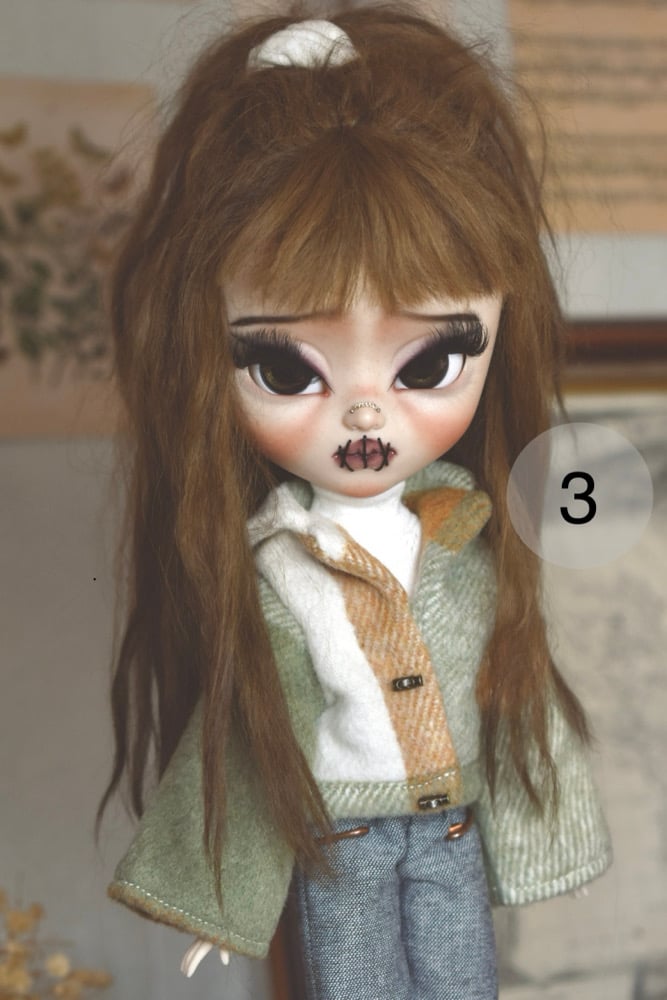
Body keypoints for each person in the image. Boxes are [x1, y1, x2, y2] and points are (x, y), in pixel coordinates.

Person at [100, 8, 612, 999]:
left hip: (451, 830)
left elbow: (517, 696)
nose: (367, 411)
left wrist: (551, 841)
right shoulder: (283, 568)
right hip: (339, 842)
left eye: (429, 362)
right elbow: (250, 734)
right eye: (287, 369)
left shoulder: (465, 538)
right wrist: (215, 893)